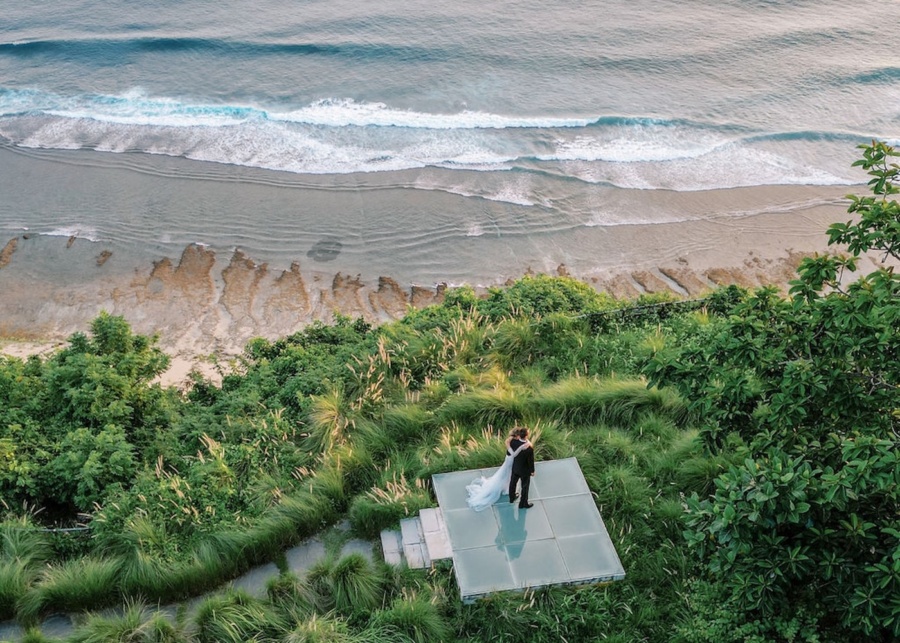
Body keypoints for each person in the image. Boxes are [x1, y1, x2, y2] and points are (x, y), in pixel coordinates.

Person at [466, 428, 532, 512]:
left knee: (507, 475)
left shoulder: (510, 440)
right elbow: (514, 454)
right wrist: (522, 447)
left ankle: (509, 490)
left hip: (508, 459)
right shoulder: (514, 442)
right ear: (517, 436)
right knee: (509, 475)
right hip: (511, 460)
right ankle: (509, 491)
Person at [508, 427, 535, 509]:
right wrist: (532, 471)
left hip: (515, 468)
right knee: (525, 487)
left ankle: (511, 498)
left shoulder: (513, 442)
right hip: (525, 471)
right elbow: (530, 461)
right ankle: (523, 503)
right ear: (527, 435)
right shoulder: (529, 448)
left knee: (513, 483)